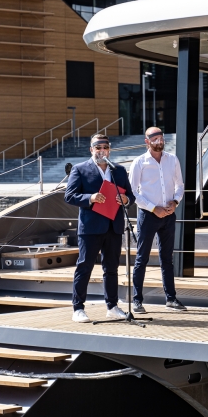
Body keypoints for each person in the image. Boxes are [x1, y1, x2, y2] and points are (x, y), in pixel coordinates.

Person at [65, 133, 135, 323]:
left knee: (111, 268)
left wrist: (126, 199)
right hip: (90, 227)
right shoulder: (80, 169)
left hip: (114, 226)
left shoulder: (119, 170)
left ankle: (112, 306)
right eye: (98, 148)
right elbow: (69, 196)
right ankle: (78, 308)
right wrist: (90, 198)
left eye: (105, 147)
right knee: (84, 267)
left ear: (109, 150)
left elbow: (131, 196)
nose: (102, 151)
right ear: (91, 149)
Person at [129, 127, 187, 312]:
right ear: (147, 142)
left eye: (161, 138)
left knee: (167, 259)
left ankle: (171, 298)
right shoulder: (139, 162)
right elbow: (132, 192)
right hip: (148, 215)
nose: (159, 141)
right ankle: (137, 300)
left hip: (168, 215)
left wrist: (175, 202)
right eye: (155, 139)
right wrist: (153, 208)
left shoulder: (172, 160)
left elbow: (180, 185)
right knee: (142, 258)